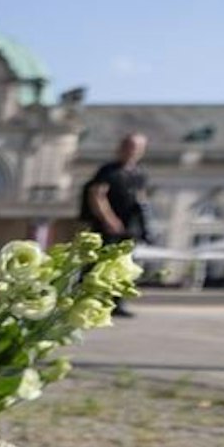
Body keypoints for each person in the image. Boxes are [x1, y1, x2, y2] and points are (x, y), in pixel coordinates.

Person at [80, 132, 148, 316]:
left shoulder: (138, 173)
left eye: (136, 148)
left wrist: (142, 223)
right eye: (129, 146)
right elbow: (97, 195)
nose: (132, 151)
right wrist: (109, 219)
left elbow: (141, 198)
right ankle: (87, 300)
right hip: (107, 227)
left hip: (128, 226)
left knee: (122, 265)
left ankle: (116, 303)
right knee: (98, 263)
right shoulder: (108, 171)